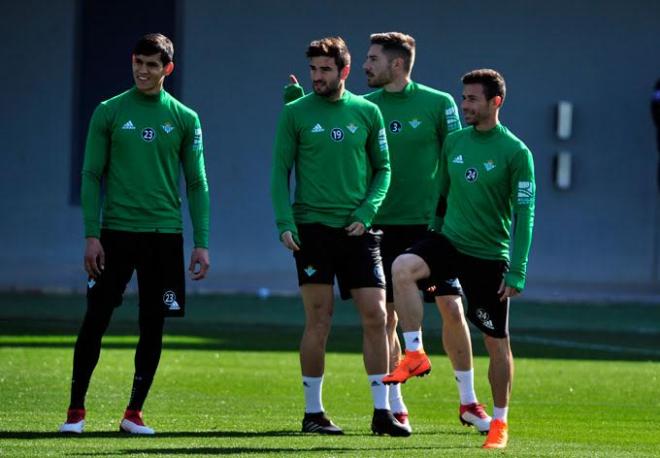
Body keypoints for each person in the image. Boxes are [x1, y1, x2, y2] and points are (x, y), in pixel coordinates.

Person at [285, 32, 490, 435]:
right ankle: (395, 405)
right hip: (378, 226)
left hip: (429, 227)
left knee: (452, 308)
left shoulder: (438, 104)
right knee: (387, 318)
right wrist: (299, 106)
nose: (365, 66)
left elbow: (457, 156)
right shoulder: (365, 107)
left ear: (396, 64)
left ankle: (468, 401)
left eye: (373, 59)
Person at [58, 33, 210, 435]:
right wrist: (92, 234)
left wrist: (201, 242)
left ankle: (133, 414)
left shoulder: (184, 118)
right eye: (138, 62)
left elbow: (197, 183)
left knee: (153, 323)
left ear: (168, 69)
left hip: (164, 236)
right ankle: (75, 413)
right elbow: (91, 175)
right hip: (115, 234)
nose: (143, 71)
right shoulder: (108, 111)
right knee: (95, 319)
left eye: (152, 65)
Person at [387, 69, 535, 449]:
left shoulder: (517, 153)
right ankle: (415, 353)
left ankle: (499, 422)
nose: (464, 105)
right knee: (403, 268)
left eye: (472, 99)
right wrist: (432, 234)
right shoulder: (453, 142)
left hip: (488, 257)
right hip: (449, 242)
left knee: (496, 342)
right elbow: (442, 194)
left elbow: (525, 216)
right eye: (463, 97)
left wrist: (517, 270)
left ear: (495, 102)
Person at [271, 36, 409, 437]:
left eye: (325, 70)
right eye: (313, 69)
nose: (318, 76)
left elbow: (383, 169)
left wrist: (367, 212)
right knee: (319, 320)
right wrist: (285, 222)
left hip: (358, 232)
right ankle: (313, 413)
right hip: (312, 231)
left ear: (344, 72)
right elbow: (280, 172)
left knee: (378, 316)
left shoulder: (367, 112)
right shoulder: (294, 113)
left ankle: (382, 412)